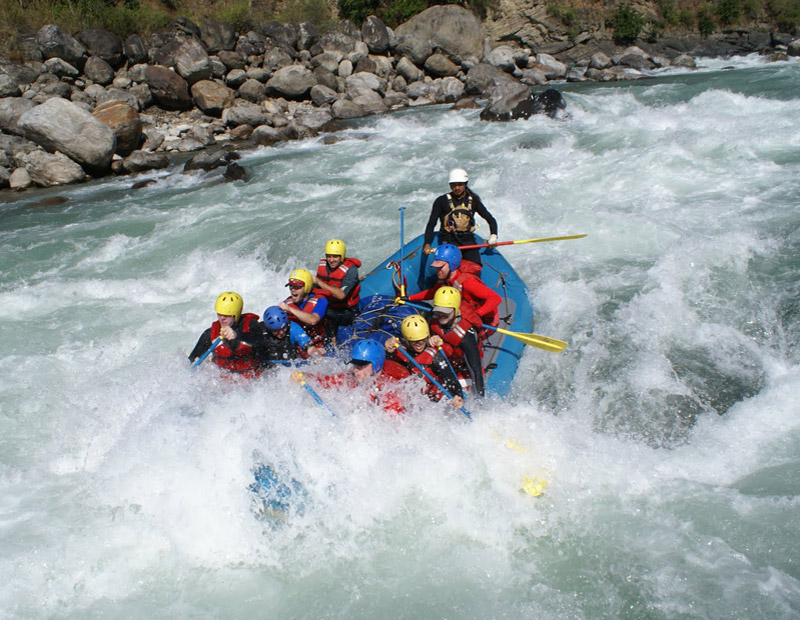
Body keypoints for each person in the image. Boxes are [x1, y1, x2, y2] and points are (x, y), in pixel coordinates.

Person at [292, 339, 410, 415]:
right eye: (355, 364)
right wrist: (305, 376)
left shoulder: (389, 388)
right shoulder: (353, 377)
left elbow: (394, 425)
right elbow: (327, 381)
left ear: (376, 365)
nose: (356, 369)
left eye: (362, 365)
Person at [408, 243, 501, 330]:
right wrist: (409, 298)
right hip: (464, 313)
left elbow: (495, 298)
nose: (437, 270)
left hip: (487, 320)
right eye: (436, 266)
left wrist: (477, 314)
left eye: (441, 266)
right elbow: (433, 293)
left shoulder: (467, 282)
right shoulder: (445, 279)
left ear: (452, 265)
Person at [384, 314, 465, 410]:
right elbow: (386, 368)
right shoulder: (399, 351)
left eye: (423, 339)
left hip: (433, 403)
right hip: (410, 401)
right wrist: (387, 350)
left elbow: (451, 379)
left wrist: (458, 396)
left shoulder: (434, 356)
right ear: (406, 339)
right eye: (414, 340)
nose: (419, 343)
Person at [423, 168, 498, 267]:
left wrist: (493, 236)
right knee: (448, 270)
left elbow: (491, 220)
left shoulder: (473, 200)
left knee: (475, 268)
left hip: (468, 241)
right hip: (449, 242)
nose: (456, 188)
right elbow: (431, 224)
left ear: (465, 184)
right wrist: (427, 243)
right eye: (453, 185)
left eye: (460, 184)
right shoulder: (441, 201)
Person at [427, 286, 486, 397]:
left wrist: (479, 399)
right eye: (438, 311)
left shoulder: (465, 335)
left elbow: (475, 370)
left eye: (445, 311)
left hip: (463, 370)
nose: (441, 315)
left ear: (455, 309)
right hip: (443, 365)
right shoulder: (433, 318)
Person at [188, 291, 264, 377]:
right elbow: (192, 360)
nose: (222, 318)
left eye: (226, 315)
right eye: (219, 314)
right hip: (223, 381)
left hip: (250, 379)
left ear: (236, 315)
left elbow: (260, 340)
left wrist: (237, 335)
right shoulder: (210, 333)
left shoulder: (251, 325)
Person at [313, 239, 361, 343]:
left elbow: (341, 295)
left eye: (335, 256)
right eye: (329, 256)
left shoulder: (351, 270)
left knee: (344, 335)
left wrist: (318, 282)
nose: (331, 260)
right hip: (330, 308)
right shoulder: (323, 267)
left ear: (342, 256)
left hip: (347, 311)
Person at [257, 306, 324, 367]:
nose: (281, 333)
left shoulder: (293, 328)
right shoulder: (259, 331)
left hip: (288, 366)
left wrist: (319, 359)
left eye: (284, 328)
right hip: (264, 366)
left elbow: (310, 348)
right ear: (268, 329)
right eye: (276, 331)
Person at [279, 268, 328, 347]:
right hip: (296, 344)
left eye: (297, 287)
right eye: (291, 286)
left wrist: (290, 309)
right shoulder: (287, 302)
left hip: (317, 344)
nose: (293, 290)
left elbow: (313, 320)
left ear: (307, 288)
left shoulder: (321, 301)